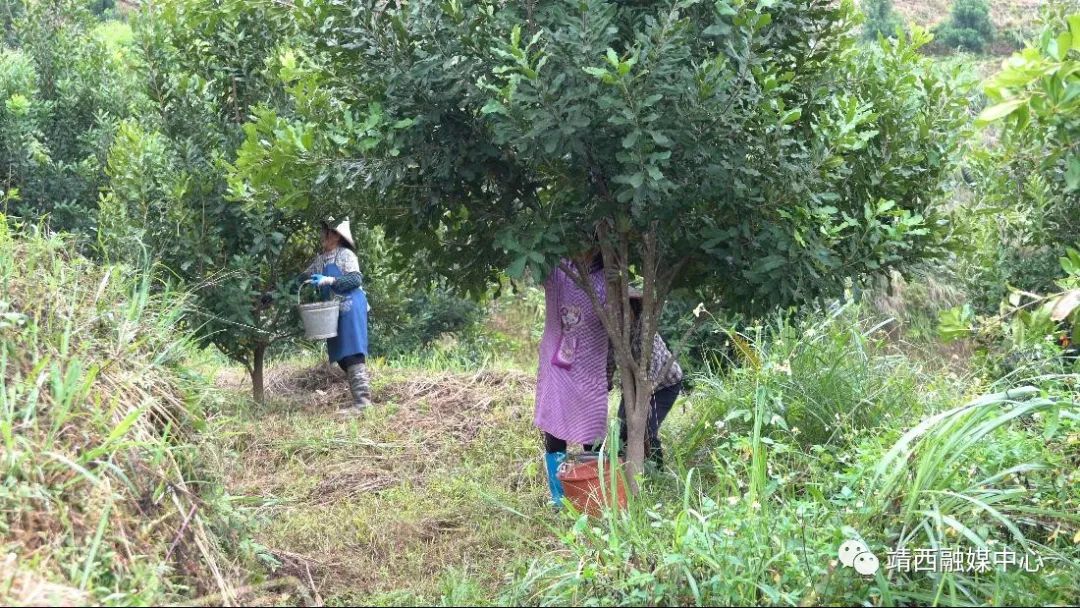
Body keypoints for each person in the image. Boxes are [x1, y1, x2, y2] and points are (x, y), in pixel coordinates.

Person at [534, 248, 609, 508]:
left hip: (589, 366)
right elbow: (535, 269)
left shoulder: (606, 278)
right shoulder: (559, 268)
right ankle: (559, 496)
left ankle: (592, 494)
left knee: (592, 430)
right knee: (554, 428)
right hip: (557, 365)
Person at [300, 217, 371, 416]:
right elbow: (301, 278)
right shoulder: (320, 260)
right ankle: (359, 401)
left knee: (353, 352)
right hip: (333, 312)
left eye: (326, 231)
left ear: (336, 236)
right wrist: (274, 295)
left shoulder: (345, 255)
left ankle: (363, 404)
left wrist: (329, 279)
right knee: (342, 355)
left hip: (351, 307)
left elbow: (355, 279)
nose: (323, 235)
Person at [607, 287, 683, 469]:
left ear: (633, 310)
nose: (619, 315)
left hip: (663, 385)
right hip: (631, 386)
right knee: (621, 429)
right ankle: (622, 472)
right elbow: (609, 357)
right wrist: (607, 381)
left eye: (624, 311)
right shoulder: (614, 331)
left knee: (646, 428)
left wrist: (643, 396)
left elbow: (655, 364)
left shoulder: (645, 330)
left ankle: (657, 471)